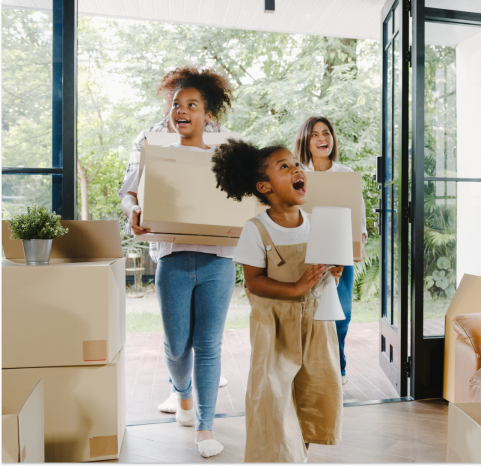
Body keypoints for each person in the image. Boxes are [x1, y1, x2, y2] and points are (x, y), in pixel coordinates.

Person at [118, 67, 235, 458]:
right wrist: (134, 210)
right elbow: (129, 192)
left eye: (192, 104)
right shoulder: (156, 149)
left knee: (209, 345)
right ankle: (182, 394)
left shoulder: (226, 154)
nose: (181, 110)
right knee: (176, 345)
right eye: (176, 104)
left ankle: (205, 427)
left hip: (218, 259)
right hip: (171, 256)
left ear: (208, 113)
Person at [212, 139, 344, 462]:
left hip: (314, 326)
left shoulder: (316, 224)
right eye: (284, 166)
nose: (297, 169)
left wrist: (333, 272)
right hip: (274, 330)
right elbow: (255, 283)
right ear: (264, 186)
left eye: (297, 164)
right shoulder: (256, 230)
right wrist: (296, 287)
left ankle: (301, 456)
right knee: (275, 401)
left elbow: (324, 281)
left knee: (311, 397)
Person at [294, 116, 367, 386]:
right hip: (305, 254)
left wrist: (353, 251)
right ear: (305, 140)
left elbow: (357, 218)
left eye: (326, 133)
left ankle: (339, 366)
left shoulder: (345, 175)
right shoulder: (297, 173)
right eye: (314, 134)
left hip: (339, 255)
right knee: (309, 313)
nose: (322, 138)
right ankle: (310, 368)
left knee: (341, 315)